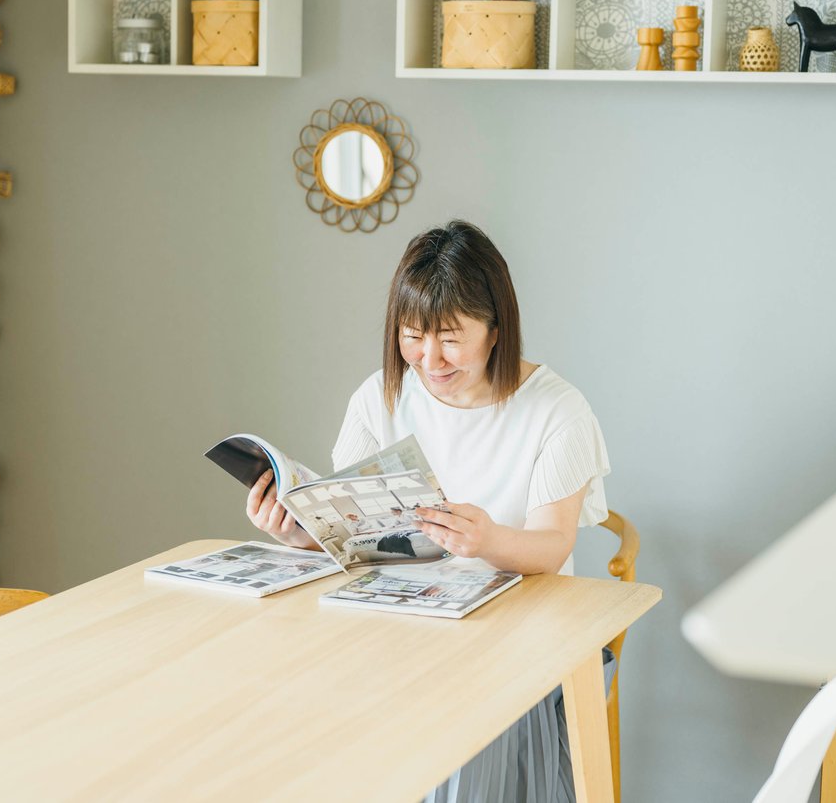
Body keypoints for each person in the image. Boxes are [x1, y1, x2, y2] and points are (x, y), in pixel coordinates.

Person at [245, 219, 612, 802]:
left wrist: (488, 538)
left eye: (449, 336)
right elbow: (360, 536)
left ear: (496, 329)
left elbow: (552, 544)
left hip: (511, 638)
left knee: (457, 741)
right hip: (393, 627)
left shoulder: (556, 411)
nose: (428, 358)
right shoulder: (380, 396)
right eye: (412, 335)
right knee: (283, 709)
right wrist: (301, 532)